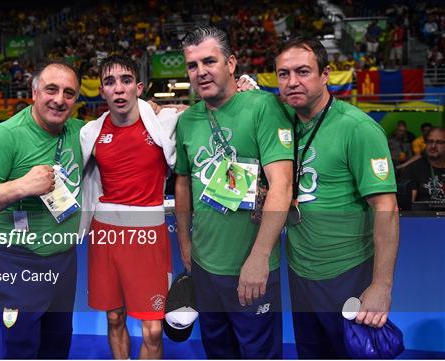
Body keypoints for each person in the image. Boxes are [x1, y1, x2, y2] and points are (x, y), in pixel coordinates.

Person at [274, 35, 399, 359]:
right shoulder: (282, 122)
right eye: (284, 74)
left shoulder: (357, 128)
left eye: (303, 71)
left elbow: (386, 208)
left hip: (348, 272)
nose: (292, 82)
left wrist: (381, 286)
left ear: (325, 74)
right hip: (300, 272)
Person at [175, 26, 293, 359]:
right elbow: (182, 181)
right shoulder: (187, 121)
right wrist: (185, 242)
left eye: (209, 61)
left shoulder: (262, 108)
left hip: (251, 266)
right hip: (204, 265)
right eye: (192, 65)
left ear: (231, 63)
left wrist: (258, 258)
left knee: (258, 352)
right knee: (218, 350)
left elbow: (281, 185)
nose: (201, 72)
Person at [0, 61, 83, 359]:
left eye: (69, 93)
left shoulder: (80, 132)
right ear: (34, 92)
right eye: (51, 89)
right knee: (19, 349)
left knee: (57, 346)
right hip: (16, 261)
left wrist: (154, 110)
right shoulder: (5, 135)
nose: (59, 99)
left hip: (62, 260)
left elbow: (121, 124)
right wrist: (23, 185)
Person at [79, 55, 180, 359]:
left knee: (152, 329)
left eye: (125, 81)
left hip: (149, 236)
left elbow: (210, 110)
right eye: (110, 82)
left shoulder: (165, 121)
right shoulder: (90, 134)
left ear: (139, 87)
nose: (118, 89)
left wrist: (245, 87)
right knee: (114, 317)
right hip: (106, 235)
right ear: (101, 91)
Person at [401, 127, 445, 204]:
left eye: (439, 142)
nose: (433, 146)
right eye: (429, 141)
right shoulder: (413, 169)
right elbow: (408, 208)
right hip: (424, 215)